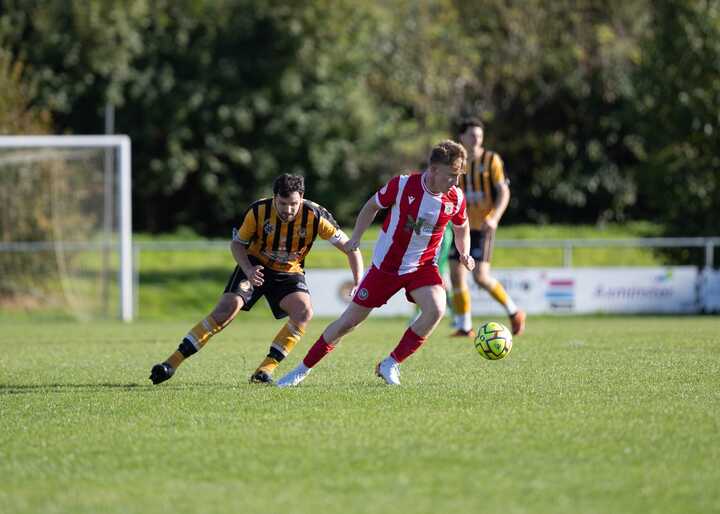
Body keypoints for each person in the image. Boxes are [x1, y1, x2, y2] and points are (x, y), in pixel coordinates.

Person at [276, 140, 474, 387]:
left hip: (422, 266)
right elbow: (372, 206)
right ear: (433, 170)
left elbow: (461, 225)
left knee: (436, 308)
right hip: (385, 267)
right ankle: (301, 370)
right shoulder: (403, 185)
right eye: (451, 175)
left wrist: (464, 252)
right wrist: (356, 237)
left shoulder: (455, 197)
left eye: (459, 176)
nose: (455, 182)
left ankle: (391, 363)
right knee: (347, 324)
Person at [149, 174, 363, 385]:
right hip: (254, 265)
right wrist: (249, 270)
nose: (288, 210)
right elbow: (237, 244)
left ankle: (265, 370)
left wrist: (358, 281)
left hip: (288, 272)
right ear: (274, 198)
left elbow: (351, 248)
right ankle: (171, 363)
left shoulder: (316, 216)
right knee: (226, 310)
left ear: (302, 197)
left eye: (293, 204)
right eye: (283, 203)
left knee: (304, 312)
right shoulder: (258, 211)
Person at [448, 118, 526, 337]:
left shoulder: (491, 159)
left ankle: (514, 311)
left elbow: (504, 191)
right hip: (460, 227)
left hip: (483, 227)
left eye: (479, 136)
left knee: (480, 277)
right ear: (461, 137)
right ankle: (465, 326)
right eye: (472, 135)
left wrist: (494, 218)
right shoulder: (455, 162)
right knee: (455, 274)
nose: (476, 140)